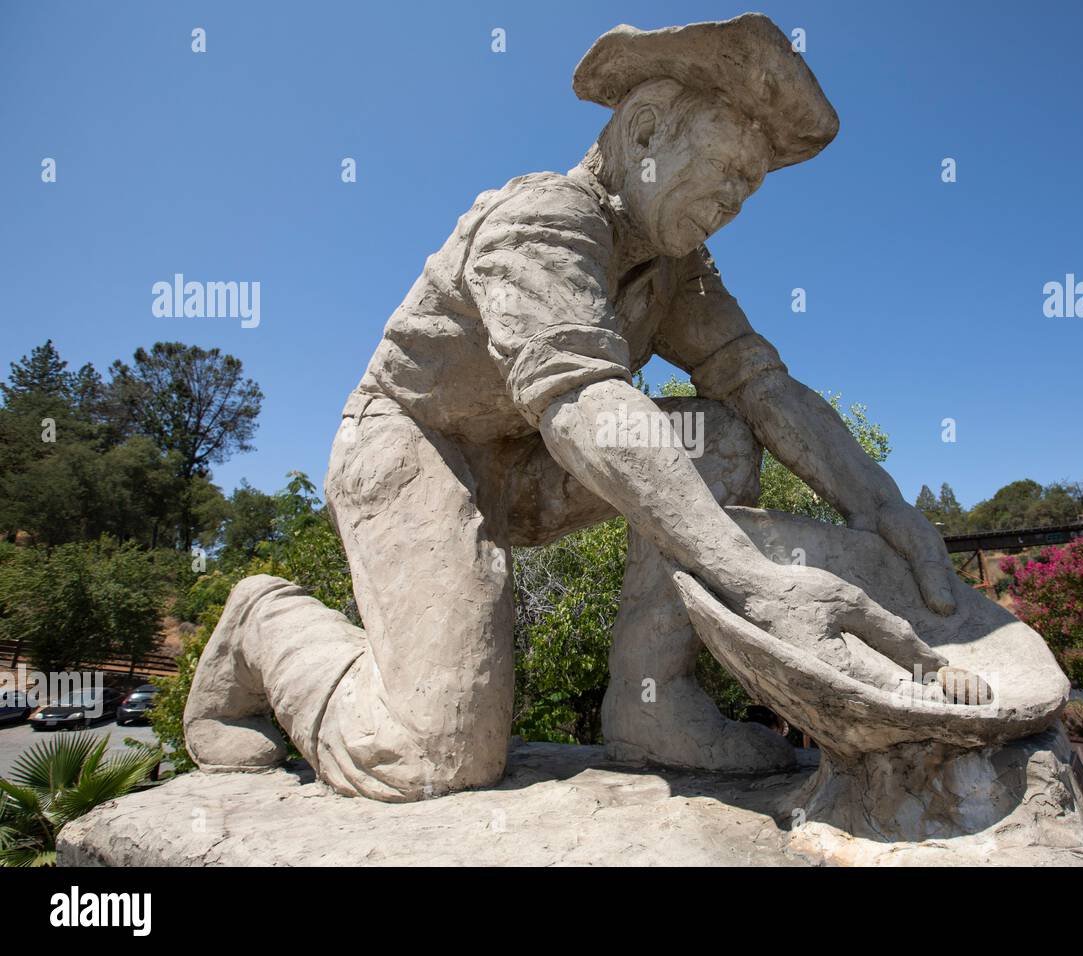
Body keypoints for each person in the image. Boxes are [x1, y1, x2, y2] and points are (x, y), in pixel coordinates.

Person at [184, 14, 956, 802]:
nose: (733, 202)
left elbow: (762, 386)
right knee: (432, 754)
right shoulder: (542, 218)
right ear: (647, 130)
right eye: (727, 170)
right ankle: (263, 623)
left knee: (715, 435)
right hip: (415, 447)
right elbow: (582, 400)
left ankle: (653, 703)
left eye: (748, 188)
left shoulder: (675, 267)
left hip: (528, 467)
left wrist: (883, 507)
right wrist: (747, 574)